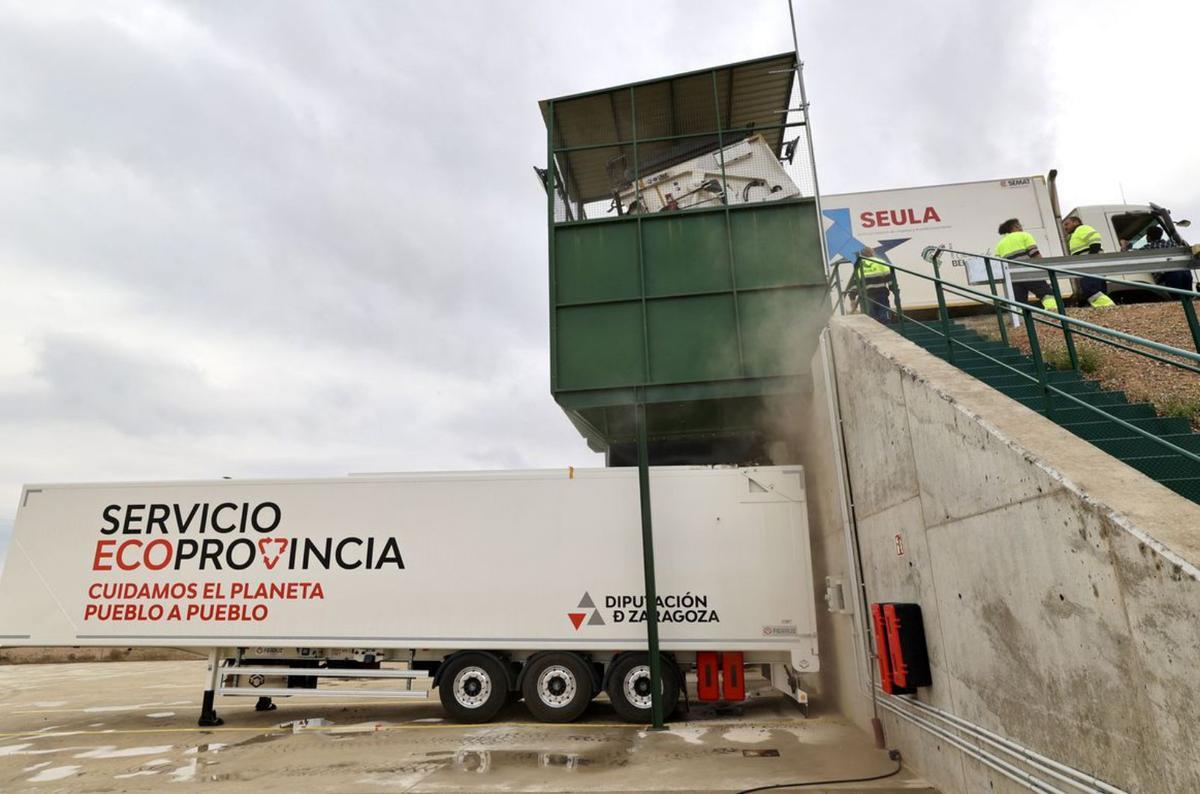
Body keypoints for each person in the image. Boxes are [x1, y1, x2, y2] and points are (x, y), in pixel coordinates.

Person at [994, 218, 1057, 311]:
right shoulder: (1024, 235)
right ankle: (1054, 312)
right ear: (1015, 226)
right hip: (1028, 272)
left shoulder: (999, 244)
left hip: (1012, 276)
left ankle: (1023, 322)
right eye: (1020, 225)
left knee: (1019, 302)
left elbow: (998, 264)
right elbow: (1034, 253)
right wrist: (1045, 267)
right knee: (1046, 293)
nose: (1021, 227)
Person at [1062, 217, 1116, 307]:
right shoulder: (1075, 234)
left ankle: (1109, 307)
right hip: (1091, 264)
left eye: (1067, 224)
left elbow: (1095, 239)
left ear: (1075, 222)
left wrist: (1091, 258)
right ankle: (1105, 309)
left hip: (1091, 265)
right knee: (1097, 289)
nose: (1065, 227)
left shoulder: (1082, 228)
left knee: (1089, 288)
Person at [1143, 226, 1194, 292]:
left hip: (1167, 277)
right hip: (1184, 273)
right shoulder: (1171, 243)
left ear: (1149, 236)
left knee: (1176, 296)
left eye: (1147, 235)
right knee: (1187, 295)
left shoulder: (1147, 248)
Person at [854, 247, 893, 323]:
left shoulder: (858, 266)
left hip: (867, 295)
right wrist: (894, 290)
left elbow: (856, 283)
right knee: (884, 315)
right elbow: (890, 278)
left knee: (872, 319)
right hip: (881, 294)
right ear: (872, 253)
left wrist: (852, 297)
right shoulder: (880, 262)